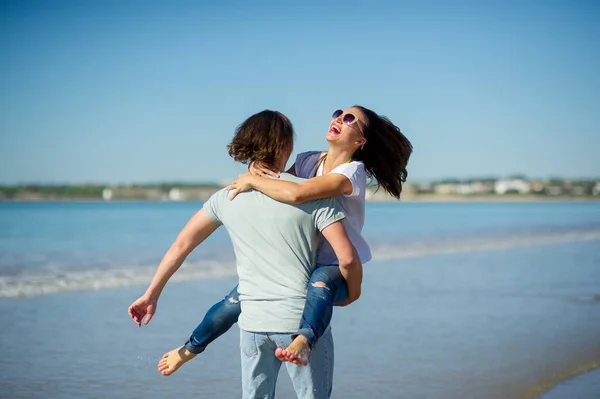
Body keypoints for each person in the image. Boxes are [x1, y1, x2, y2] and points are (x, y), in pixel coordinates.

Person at [157, 105, 413, 371]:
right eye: (338, 113)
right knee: (235, 300)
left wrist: (252, 181)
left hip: (333, 264)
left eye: (349, 119)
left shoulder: (351, 173)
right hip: (301, 258)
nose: (338, 118)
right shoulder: (307, 161)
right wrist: (257, 168)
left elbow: (296, 194)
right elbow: (278, 182)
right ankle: (189, 349)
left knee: (320, 283)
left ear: (360, 140)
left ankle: (304, 340)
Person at [128, 110, 363, 399]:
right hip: (297, 320)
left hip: (252, 323)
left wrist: (151, 293)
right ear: (286, 148)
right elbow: (347, 258)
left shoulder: (227, 196)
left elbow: (180, 247)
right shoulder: (311, 195)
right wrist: (352, 293)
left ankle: (190, 347)